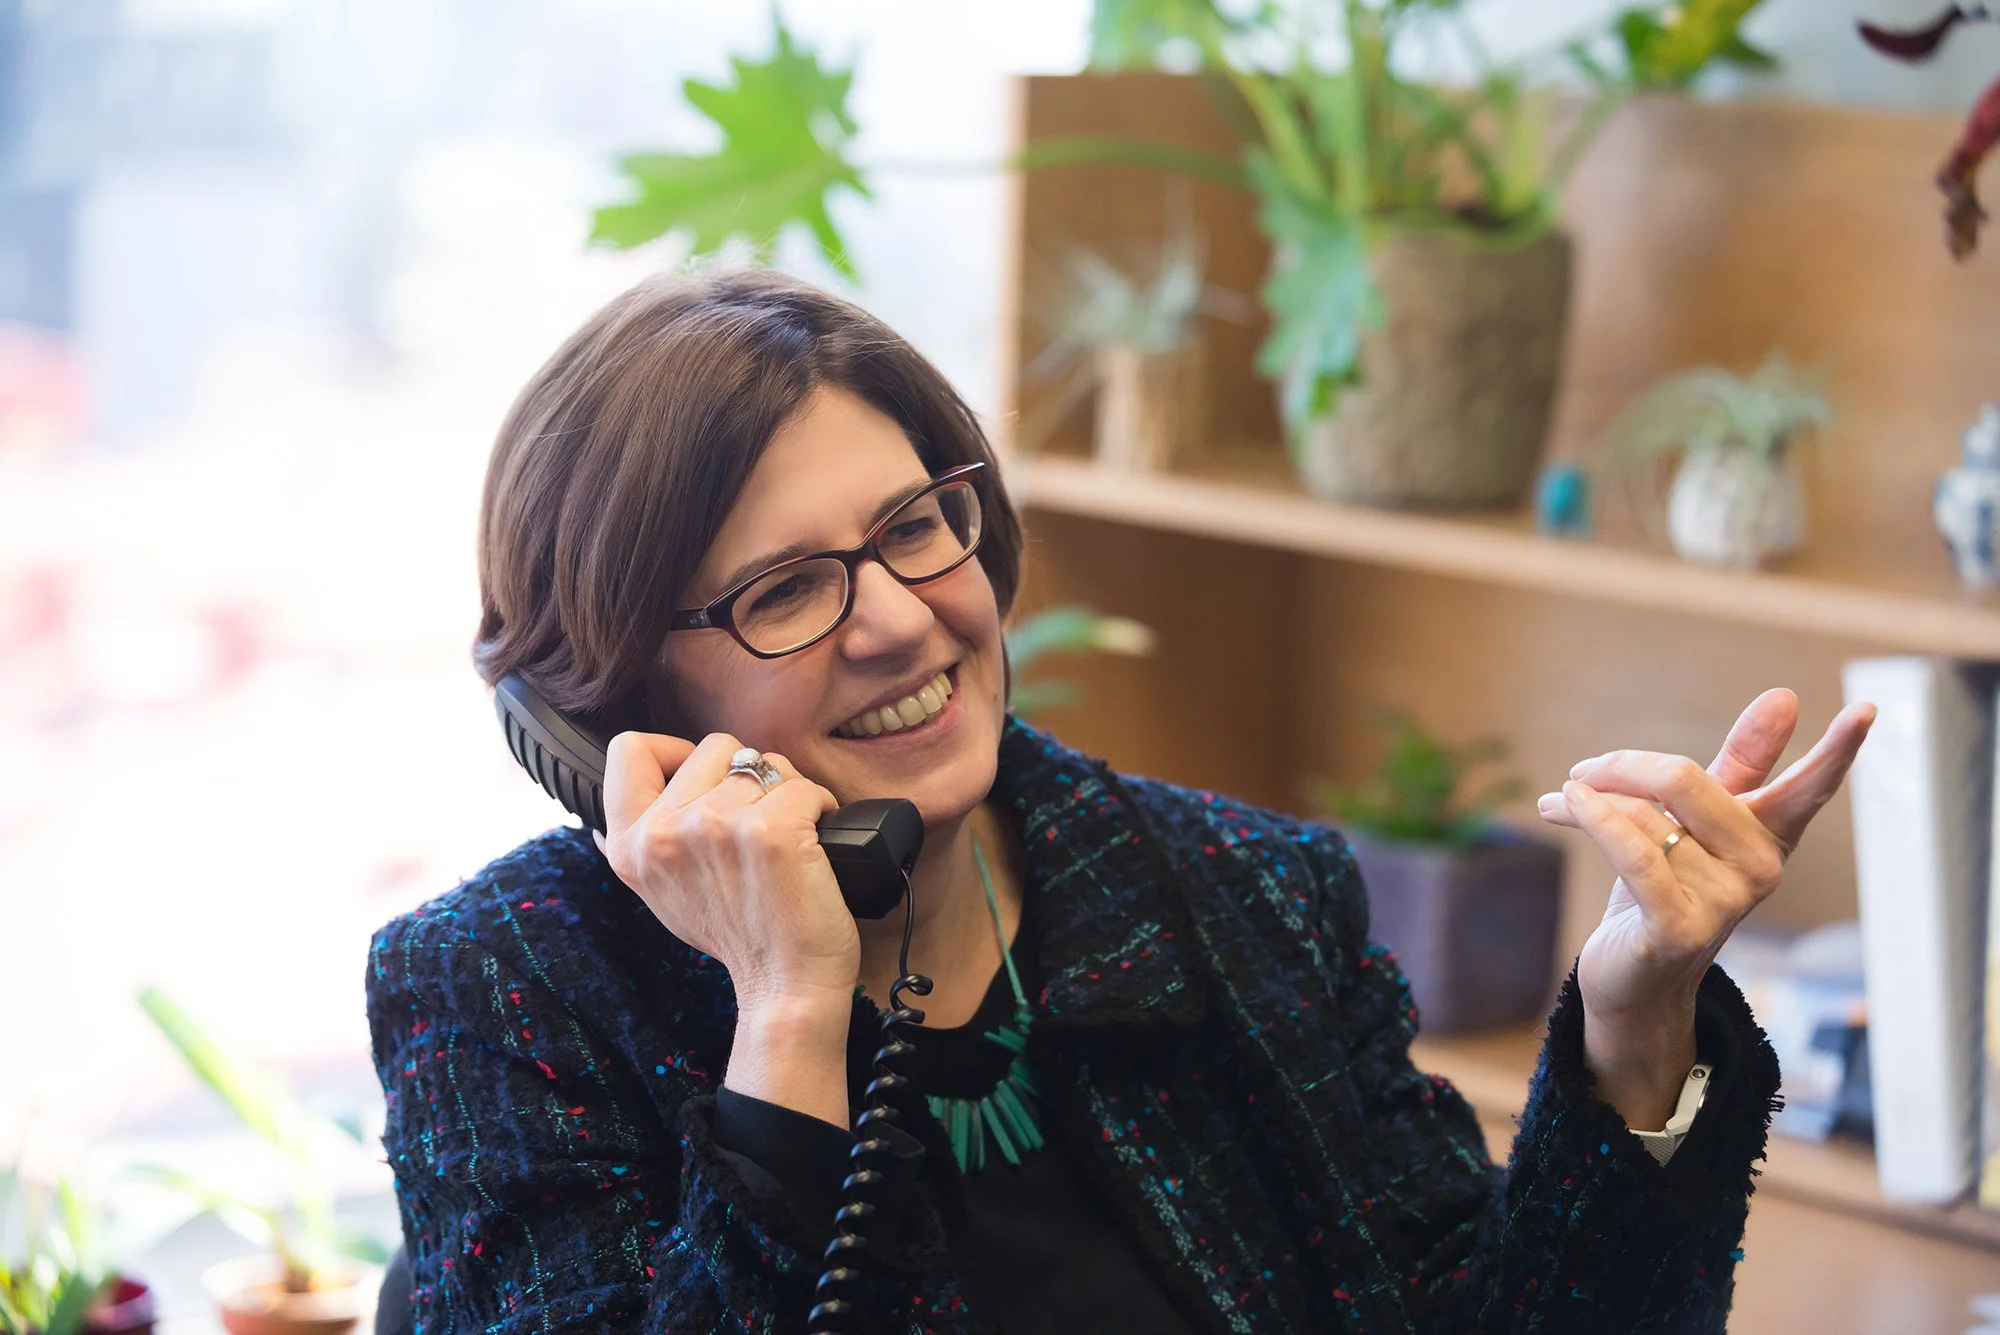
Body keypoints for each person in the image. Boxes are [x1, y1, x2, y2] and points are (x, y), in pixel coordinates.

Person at [366, 268, 1874, 1334]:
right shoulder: (509, 985)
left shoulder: (1244, 892)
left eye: (914, 527)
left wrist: (1635, 1017)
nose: (897, 617)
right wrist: (788, 1021)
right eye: (785, 591)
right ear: (618, 709)